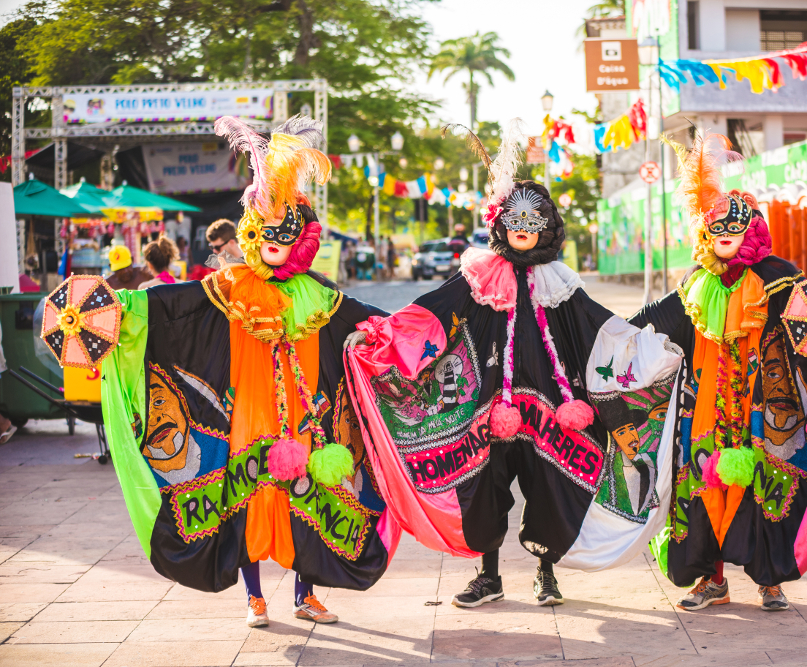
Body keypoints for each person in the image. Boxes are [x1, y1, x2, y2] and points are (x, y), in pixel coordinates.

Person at [63, 115, 395, 630]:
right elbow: (173, 307)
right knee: (248, 504)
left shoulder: (320, 295)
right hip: (249, 415)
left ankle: (306, 595)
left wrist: (417, 328)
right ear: (254, 233)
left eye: (284, 240)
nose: (274, 248)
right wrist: (119, 306)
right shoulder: (229, 286)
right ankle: (255, 597)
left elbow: (371, 319)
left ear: (301, 240)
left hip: (306, 422)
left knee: (309, 503)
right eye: (268, 238)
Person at [345, 123, 683, 609]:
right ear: (501, 225)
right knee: (483, 485)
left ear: (547, 227)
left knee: (551, 485)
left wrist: (647, 347)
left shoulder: (561, 281)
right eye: (515, 221)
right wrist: (381, 335)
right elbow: (432, 313)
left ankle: (545, 574)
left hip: (553, 408)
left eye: (534, 221)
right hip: (488, 406)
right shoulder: (478, 275)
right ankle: (490, 576)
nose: (524, 229)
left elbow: (599, 327)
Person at [632, 133, 807, 612]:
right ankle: (708, 579)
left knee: (769, 485)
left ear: (751, 231)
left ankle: (770, 580)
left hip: (767, 407)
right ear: (706, 232)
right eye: (717, 229)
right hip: (703, 410)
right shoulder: (694, 283)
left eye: (735, 229)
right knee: (703, 486)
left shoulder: (779, 277)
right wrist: (605, 331)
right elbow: (655, 320)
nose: (726, 236)